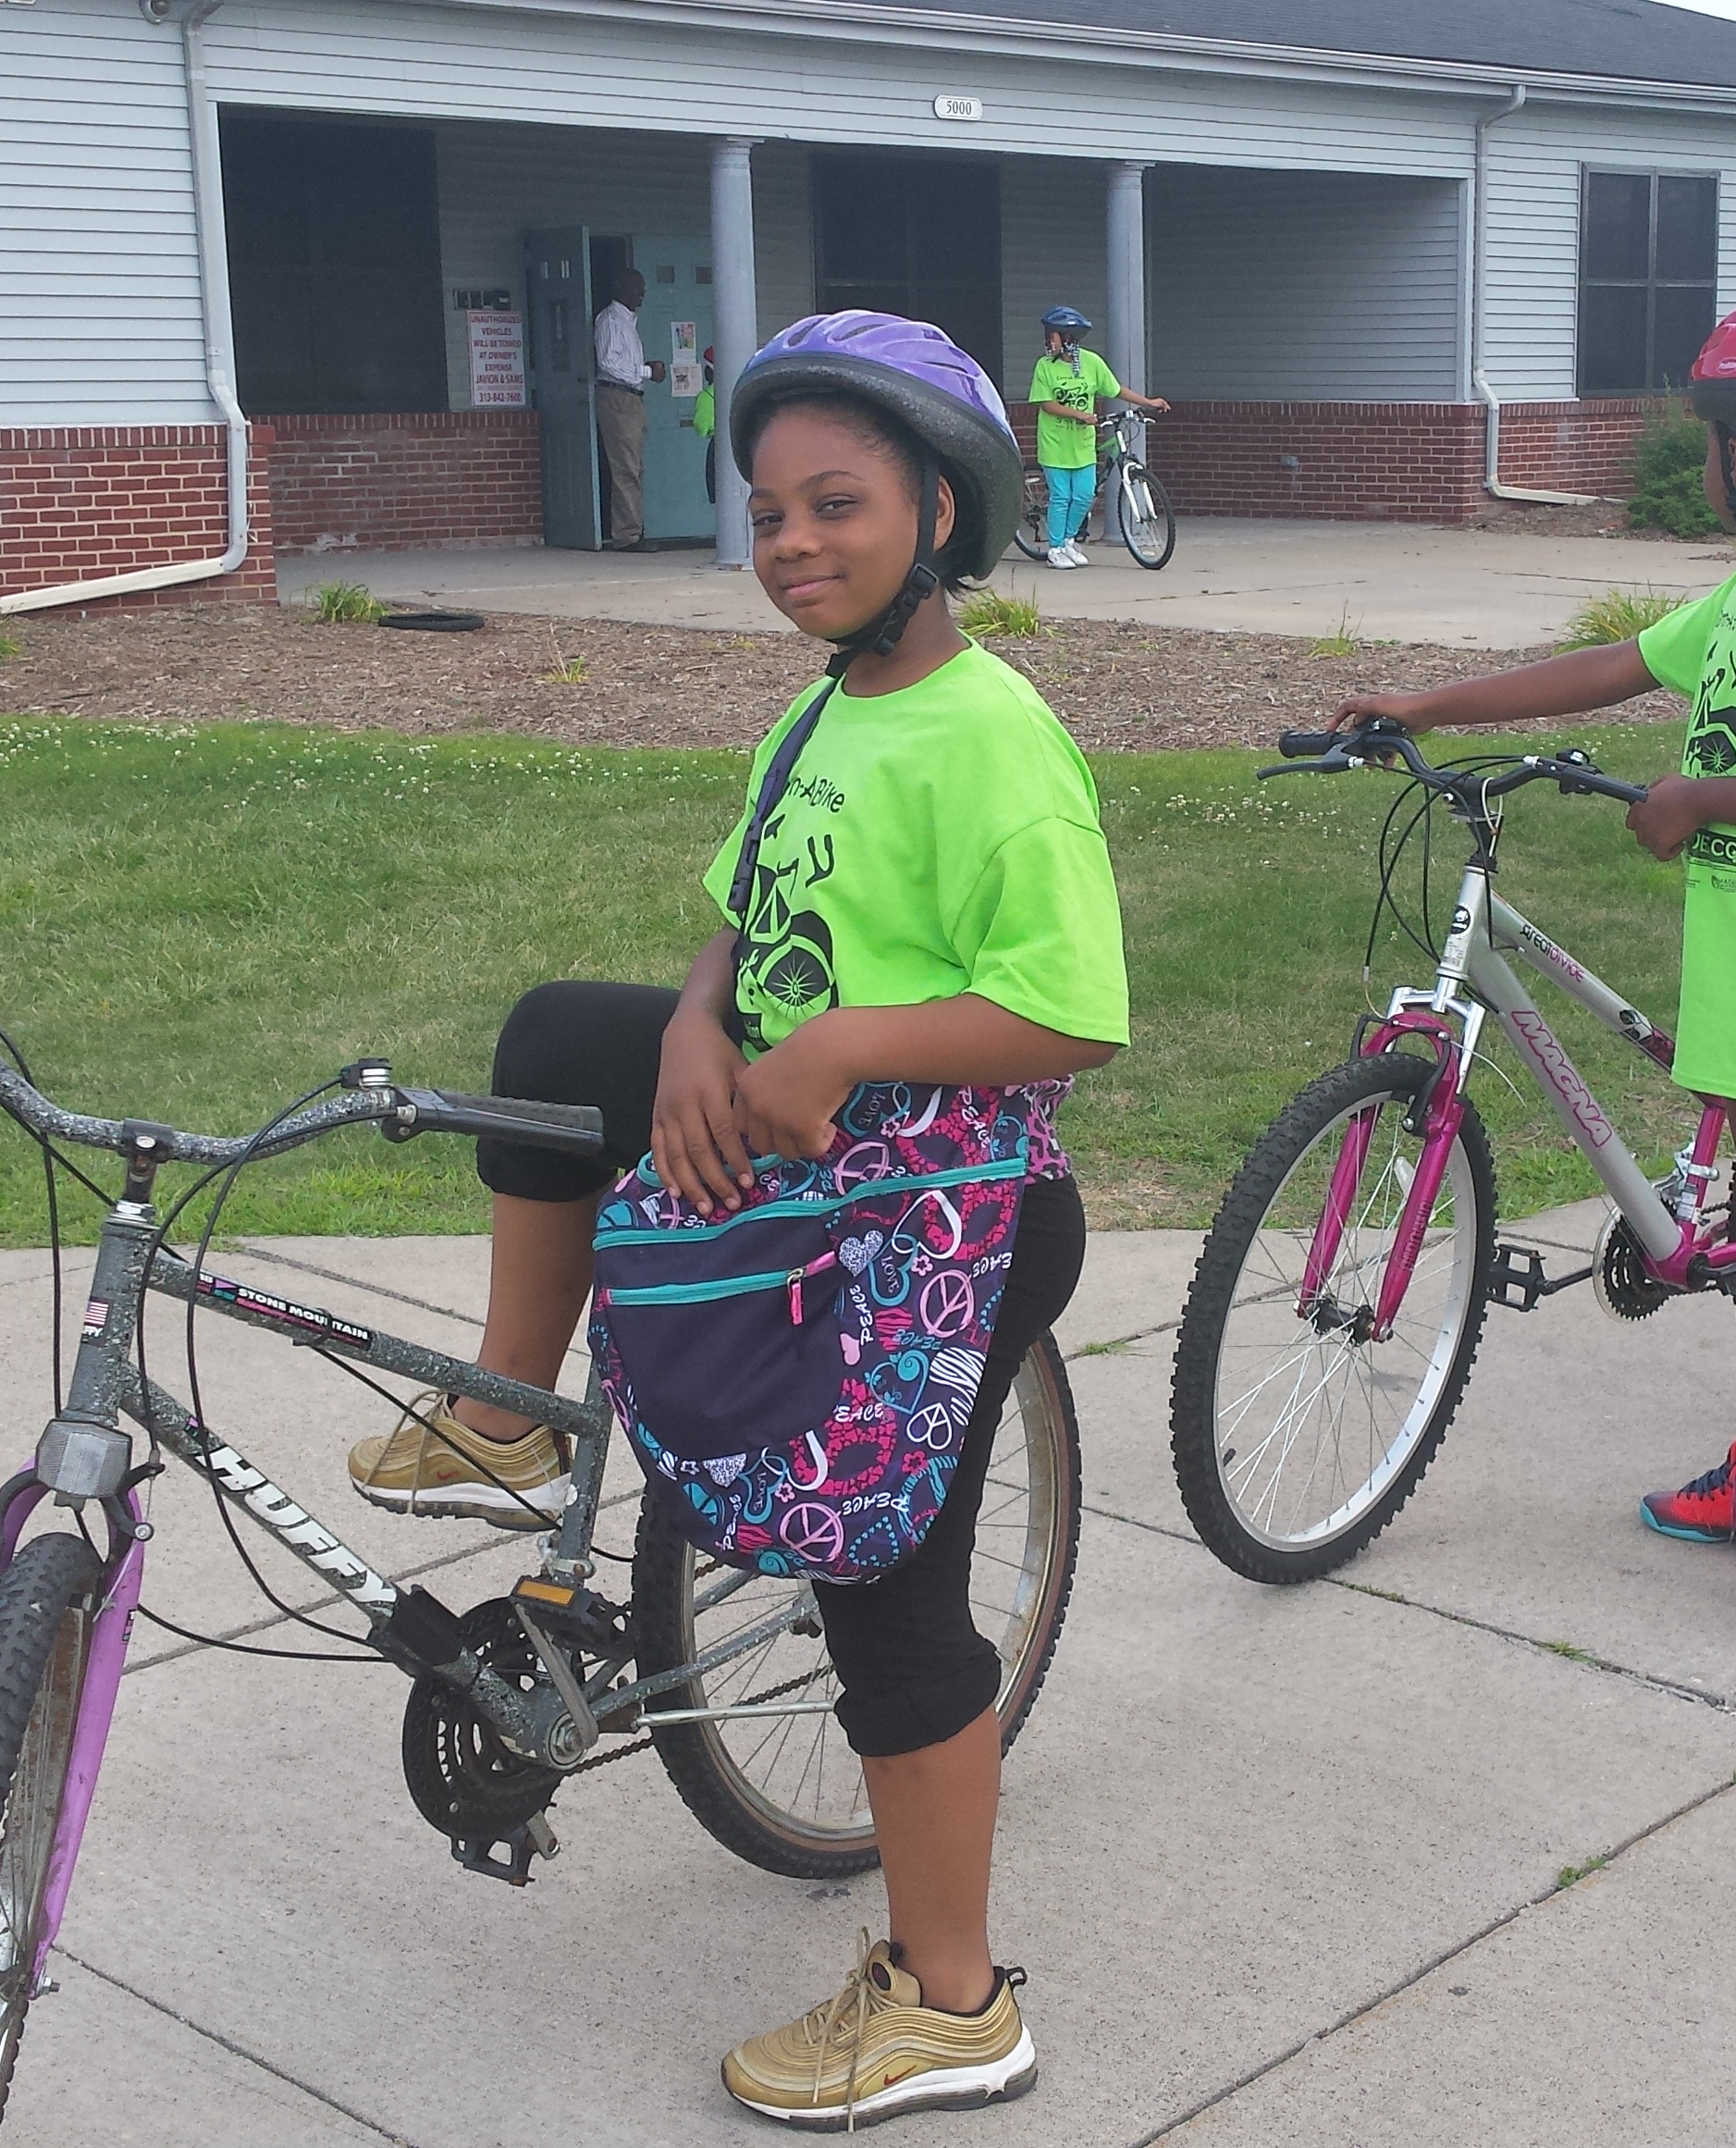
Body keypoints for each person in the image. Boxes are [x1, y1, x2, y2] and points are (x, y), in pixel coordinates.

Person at [351, 309, 1123, 2129]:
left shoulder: (991, 736)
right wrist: (699, 1029)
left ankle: (954, 2006)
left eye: (834, 504)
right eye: (767, 512)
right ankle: (511, 1411)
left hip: (944, 1208)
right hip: (797, 1137)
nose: (791, 542)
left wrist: (841, 1043)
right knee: (566, 1036)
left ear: (939, 512)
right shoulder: (821, 710)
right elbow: (737, 915)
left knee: (884, 1601)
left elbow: (1070, 1009)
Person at [1336, 299, 1736, 1655]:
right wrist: (1425, 704)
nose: (1704, 460)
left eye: (1710, 439)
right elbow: (1615, 665)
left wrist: (1697, 796)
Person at [1025, 305, 1164, 569]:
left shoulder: (1091, 363)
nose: (1048, 341)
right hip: (1055, 443)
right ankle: (1055, 548)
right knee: (1061, 497)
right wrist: (1079, 415)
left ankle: (1068, 540)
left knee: (1084, 495)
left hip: (1083, 444)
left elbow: (1115, 389)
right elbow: (1046, 404)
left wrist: (1148, 402)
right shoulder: (1044, 367)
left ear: (1067, 338)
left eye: (1052, 335)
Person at [594, 266, 664, 552]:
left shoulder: (628, 321)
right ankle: (627, 536)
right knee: (626, 469)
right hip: (618, 398)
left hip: (632, 398)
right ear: (619, 288)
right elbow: (608, 361)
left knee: (635, 467)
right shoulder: (611, 320)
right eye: (636, 288)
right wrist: (646, 371)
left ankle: (632, 529)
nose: (642, 293)